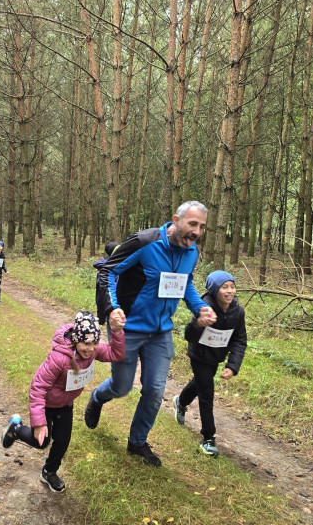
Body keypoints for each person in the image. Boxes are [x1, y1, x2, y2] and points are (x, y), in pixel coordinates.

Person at [84, 200, 217, 467]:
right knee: (121, 387)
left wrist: (199, 307)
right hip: (128, 328)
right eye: (193, 224)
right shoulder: (145, 242)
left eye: (202, 227)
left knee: (155, 390)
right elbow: (108, 271)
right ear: (176, 220)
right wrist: (112, 309)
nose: (197, 232)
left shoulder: (191, 252)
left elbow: (186, 284)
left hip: (160, 332)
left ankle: (137, 441)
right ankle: (97, 398)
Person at [1, 311, 125, 493]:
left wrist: (117, 332)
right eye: (86, 343)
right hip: (47, 406)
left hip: (66, 405)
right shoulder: (59, 358)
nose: (90, 349)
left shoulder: (93, 350)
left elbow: (116, 354)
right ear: (76, 340)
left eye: (94, 343)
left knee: (62, 441)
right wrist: (39, 422)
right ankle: (16, 430)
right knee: (41, 442)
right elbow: (37, 387)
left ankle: (49, 472)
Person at [173, 270, 247, 457]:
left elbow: (239, 340)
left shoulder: (238, 312)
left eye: (232, 287)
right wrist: (199, 323)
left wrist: (232, 366)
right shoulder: (204, 306)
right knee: (207, 392)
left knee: (199, 383)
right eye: (225, 287)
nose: (230, 291)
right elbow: (189, 335)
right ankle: (208, 438)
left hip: (217, 356)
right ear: (215, 290)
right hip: (199, 355)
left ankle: (180, 402)